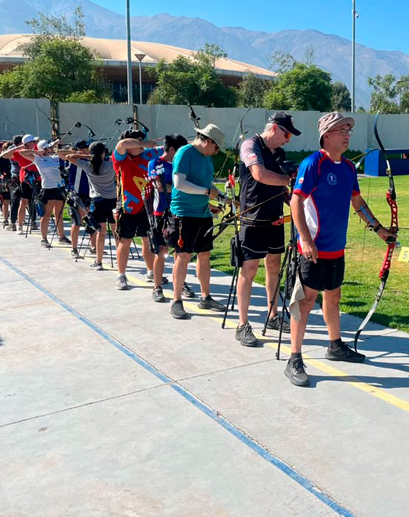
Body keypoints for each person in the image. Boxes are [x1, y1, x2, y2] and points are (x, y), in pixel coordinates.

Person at [285, 112, 396, 387]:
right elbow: (296, 202)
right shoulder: (313, 164)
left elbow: (357, 202)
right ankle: (295, 357)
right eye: (341, 130)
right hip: (313, 249)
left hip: (336, 248)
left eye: (348, 130)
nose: (347, 134)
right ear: (326, 135)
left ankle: (335, 345)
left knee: (333, 297)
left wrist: (379, 228)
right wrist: (306, 240)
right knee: (305, 301)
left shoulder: (347, 167)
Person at [233, 112, 300, 347]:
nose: (288, 139)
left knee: (273, 266)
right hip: (252, 219)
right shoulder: (251, 144)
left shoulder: (279, 154)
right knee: (249, 270)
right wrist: (290, 180)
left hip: (274, 219)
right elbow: (259, 174)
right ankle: (243, 324)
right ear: (274, 127)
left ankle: (272, 315)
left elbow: (284, 189)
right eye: (286, 133)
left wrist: (298, 198)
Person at [168, 123, 227, 319]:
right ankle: (176, 300)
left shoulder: (207, 159)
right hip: (184, 214)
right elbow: (179, 183)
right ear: (208, 141)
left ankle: (206, 297)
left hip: (203, 214)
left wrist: (221, 199)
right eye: (216, 148)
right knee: (183, 255)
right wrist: (206, 192)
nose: (216, 152)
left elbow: (206, 184)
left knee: (204, 255)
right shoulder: (185, 152)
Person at [112, 130, 161, 290]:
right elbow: (121, 145)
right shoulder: (121, 158)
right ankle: (121, 275)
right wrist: (144, 144)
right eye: (136, 142)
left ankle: (151, 272)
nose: (140, 145)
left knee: (147, 240)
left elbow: (169, 149)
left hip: (146, 206)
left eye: (141, 141)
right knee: (125, 241)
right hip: (127, 207)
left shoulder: (148, 156)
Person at [61, 142, 118, 270]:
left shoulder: (88, 165)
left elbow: (69, 156)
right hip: (113, 200)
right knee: (117, 232)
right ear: (104, 153)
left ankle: (99, 262)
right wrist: (101, 157)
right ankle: (121, 259)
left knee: (101, 232)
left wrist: (87, 156)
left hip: (98, 201)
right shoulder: (110, 164)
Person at [147, 134, 187, 302]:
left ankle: (181, 283)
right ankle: (157, 286)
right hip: (161, 213)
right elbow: (160, 186)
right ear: (171, 149)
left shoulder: (180, 164)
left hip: (179, 212)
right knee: (162, 251)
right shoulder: (155, 163)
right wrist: (180, 186)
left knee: (181, 251)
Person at [15, 139, 70, 248]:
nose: (51, 148)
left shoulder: (55, 157)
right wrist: (37, 152)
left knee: (59, 213)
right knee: (46, 214)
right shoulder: (38, 159)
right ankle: (44, 239)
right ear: (44, 149)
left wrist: (55, 147)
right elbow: (22, 152)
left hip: (60, 187)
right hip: (48, 188)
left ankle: (61, 236)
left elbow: (67, 153)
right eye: (48, 147)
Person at [0, 134, 41, 232]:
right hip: (25, 178)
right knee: (23, 202)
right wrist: (18, 147)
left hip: (38, 178)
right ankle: (19, 225)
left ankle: (34, 221)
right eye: (32, 142)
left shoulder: (37, 149)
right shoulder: (19, 152)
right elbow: (4, 156)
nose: (34, 143)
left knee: (35, 201)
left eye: (34, 142)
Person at [65, 140, 92, 259]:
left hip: (90, 194)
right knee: (77, 222)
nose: (86, 150)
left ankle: (94, 247)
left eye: (87, 148)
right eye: (83, 148)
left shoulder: (90, 160)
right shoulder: (74, 160)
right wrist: (80, 154)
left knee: (92, 221)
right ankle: (74, 248)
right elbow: (63, 153)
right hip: (76, 194)